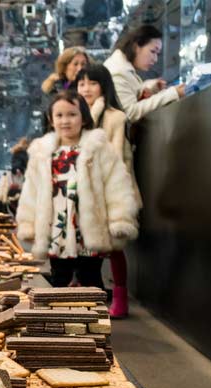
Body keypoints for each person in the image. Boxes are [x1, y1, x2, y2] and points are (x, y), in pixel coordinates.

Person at [17, 91, 139, 290]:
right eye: (59, 115)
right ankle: (59, 320)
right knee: (59, 280)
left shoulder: (98, 148)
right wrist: (28, 224)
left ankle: (94, 320)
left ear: (83, 118)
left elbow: (116, 185)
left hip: (88, 230)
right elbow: (31, 191)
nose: (66, 120)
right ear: (51, 119)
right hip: (57, 230)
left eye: (72, 114)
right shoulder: (42, 152)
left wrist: (120, 218)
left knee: (91, 281)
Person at [76, 64, 142, 317]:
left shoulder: (115, 116)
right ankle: (85, 293)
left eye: (92, 83)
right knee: (86, 247)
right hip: (86, 193)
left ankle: (120, 299)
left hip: (112, 192)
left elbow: (118, 159)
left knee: (114, 248)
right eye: (82, 83)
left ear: (104, 85)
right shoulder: (80, 117)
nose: (86, 88)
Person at [104, 24, 184, 123]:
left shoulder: (124, 67)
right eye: (153, 51)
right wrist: (172, 93)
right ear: (136, 47)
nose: (155, 59)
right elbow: (129, 113)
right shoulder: (118, 72)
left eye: (157, 54)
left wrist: (148, 89)